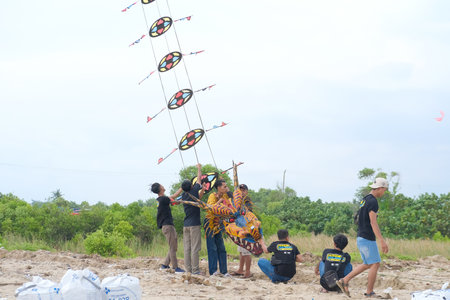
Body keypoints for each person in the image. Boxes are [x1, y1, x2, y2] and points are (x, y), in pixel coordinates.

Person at [336, 178, 389, 298]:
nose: (384, 193)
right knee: (375, 263)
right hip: (367, 238)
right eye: (384, 190)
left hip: (361, 236)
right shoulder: (373, 202)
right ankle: (369, 292)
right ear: (380, 188)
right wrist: (382, 240)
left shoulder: (364, 200)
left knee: (367, 263)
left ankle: (344, 280)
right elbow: (373, 222)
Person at [150, 182, 184, 273]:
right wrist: (182, 188)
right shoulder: (163, 199)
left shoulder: (161, 199)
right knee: (173, 247)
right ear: (160, 188)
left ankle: (165, 265)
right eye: (161, 185)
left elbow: (173, 200)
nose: (163, 185)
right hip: (168, 226)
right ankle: (175, 267)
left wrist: (179, 196)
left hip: (167, 225)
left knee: (173, 246)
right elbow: (174, 198)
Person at [181, 163, 206, 275]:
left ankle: (188, 270)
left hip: (185, 225)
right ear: (191, 186)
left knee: (187, 248)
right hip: (194, 224)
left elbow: (198, 199)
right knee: (195, 248)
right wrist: (199, 168)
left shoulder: (184, 195)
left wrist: (203, 191)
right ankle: (195, 270)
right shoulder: (194, 190)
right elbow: (199, 179)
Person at [206, 179, 231, 276]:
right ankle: (213, 271)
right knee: (212, 248)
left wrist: (227, 193)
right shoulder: (212, 196)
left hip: (218, 223)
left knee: (221, 248)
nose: (226, 188)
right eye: (224, 186)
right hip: (210, 223)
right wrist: (220, 201)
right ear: (219, 188)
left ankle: (224, 271)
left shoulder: (225, 196)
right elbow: (210, 209)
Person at [231, 184, 253, 278]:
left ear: (246, 191)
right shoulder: (236, 201)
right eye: (240, 190)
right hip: (239, 228)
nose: (242, 192)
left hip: (247, 228)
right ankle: (240, 269)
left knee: (246, 251)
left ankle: (247, 271)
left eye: (244, 190)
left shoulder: (247, 201)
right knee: (241, 250)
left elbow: (247, 213)